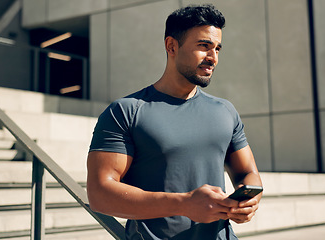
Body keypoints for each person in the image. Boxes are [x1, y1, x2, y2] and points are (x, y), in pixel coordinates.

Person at [87, 4, 262, 240]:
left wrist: (247, 200)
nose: (213, 58)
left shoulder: (225, 111)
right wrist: (184, 204)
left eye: (217, 48)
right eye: (203, 46)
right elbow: (100, 194)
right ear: (172, 46)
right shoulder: (125, 111)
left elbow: (247, 172)